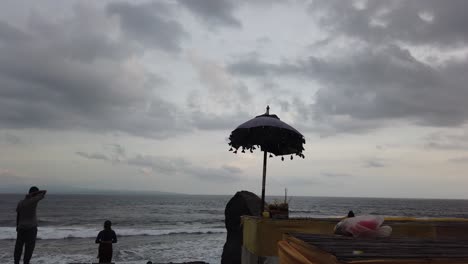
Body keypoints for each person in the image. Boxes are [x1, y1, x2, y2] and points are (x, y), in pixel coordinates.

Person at [14, 186, 47, 264]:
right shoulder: (33, 201)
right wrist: (34, 194)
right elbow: (44, 192)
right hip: (31, 229)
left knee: (18, 248)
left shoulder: (20, 202)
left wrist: (17, 226)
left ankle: (16, 262)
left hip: (21, 228)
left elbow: (18, 215)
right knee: (29, 249)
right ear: (34, 193)